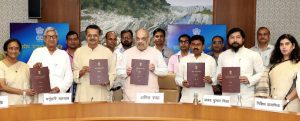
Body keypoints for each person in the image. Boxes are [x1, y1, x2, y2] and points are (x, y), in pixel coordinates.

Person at [216, 28, 264, 107]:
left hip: (245, 98)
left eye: (238, 37)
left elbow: (262, 72)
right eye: (232, 37)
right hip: (227, 97)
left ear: (243, 39)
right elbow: (218, 72)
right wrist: (219, 77)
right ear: (228, 40)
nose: (235, 40)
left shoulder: (253, 54)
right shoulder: (222, 55)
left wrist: (249, 79)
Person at [117, 28, 168, 101]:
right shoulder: (127, 53)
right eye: (138, 39)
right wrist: (126, 72)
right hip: (130, 98)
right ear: (135, 39)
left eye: (143, 39)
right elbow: (118, 71)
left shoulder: (156, 53)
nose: (140, 41)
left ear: (149, 39)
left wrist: (154, 69)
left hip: (150, 97)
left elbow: (165, 71)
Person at [27, 27, 73, 103]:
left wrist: (60, 88)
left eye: (54, 36)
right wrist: (34, 67)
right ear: (44, 39)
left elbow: (69, 76)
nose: (52, 39)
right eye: (49, 36)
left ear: (57, 39)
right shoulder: (37, 52)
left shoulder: (63, 54)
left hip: (59, 95)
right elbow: (27, 70)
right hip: (42, 95)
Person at [256, 34, 300, 112]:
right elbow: (265, 84)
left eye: (287, 44)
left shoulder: (298, 64)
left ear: (293, 46)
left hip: (291, 104)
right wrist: (269, 99)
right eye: (281, 44)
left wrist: (286, 100)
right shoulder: (272, 65)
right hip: (273, 104)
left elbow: (298, 87)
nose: (284, 47)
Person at [73, 25, 116, 102]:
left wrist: (107, 81)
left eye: (95, 35)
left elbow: (112, 73)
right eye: (89, 35)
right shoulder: (79, 52)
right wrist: (81, 72)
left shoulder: (107, 52)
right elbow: (74, 72)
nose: (92, 38)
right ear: (86, 36)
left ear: (99, 36)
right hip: (83, 94)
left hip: (101, 93)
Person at [175, 35, 216, 103]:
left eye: (198, 44)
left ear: (203, 46)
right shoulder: (184, 60)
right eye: (193, 44)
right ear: (190, 46)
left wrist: (211, 80)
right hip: (187, 97)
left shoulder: (211, 60)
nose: (195, 47)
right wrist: (182, 82)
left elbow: (215, 78)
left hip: (206, 97)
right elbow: (177, 78)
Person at [0, 39, 35, 105]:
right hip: (8, 105)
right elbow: (2, 86)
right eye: (11, 48)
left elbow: (33, 84)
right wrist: (23, 92)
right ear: (6, 51)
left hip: (25, 104)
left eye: (16, 48)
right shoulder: (1, 65)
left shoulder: (25, 66)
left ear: (19, 51)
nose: (14, 51)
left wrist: (37, 70)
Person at [65, 30, 81, 102]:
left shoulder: (83, 54)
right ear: (66, 41)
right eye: (70, 39)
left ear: (78, 41)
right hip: (67, 88)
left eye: (75, 39)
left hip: (81, 86)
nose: (73, 41)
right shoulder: (62, 55)